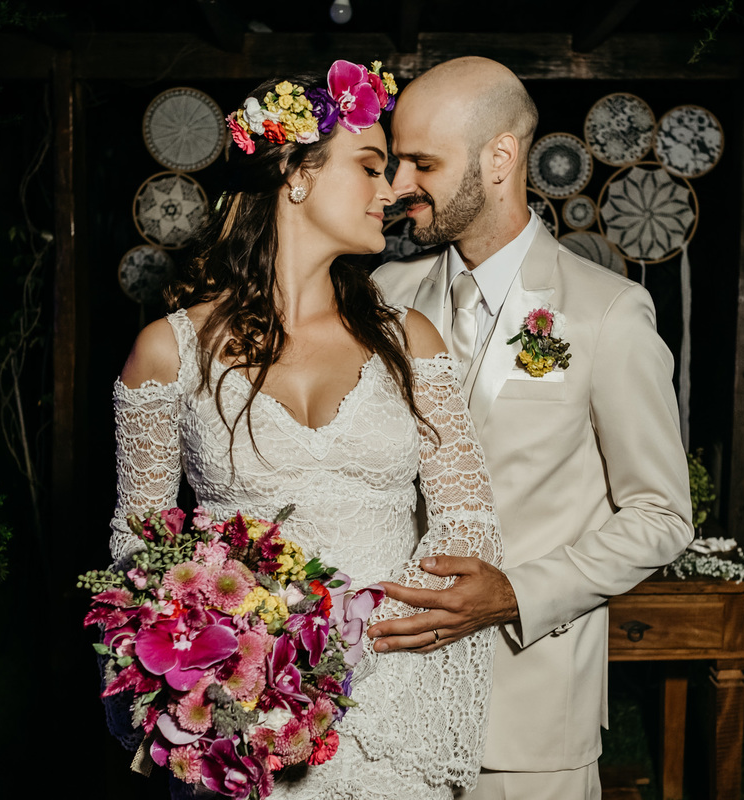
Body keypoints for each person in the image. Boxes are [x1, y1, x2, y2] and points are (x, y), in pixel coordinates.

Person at [107, 60, 502, 800]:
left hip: (396, 702)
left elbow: (468, 518)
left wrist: (345, 650)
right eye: (371, 167)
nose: (392, 192)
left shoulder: (409, 337)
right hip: (247, 718)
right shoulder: (168, 351)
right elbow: (140, 547)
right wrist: (241, 667)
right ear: (296, 174)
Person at [369, 56, 695, 799]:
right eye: (394, 162)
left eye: (422, 161)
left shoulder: (606, 313)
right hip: (386, 707)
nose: (396, 186)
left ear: (500, 157)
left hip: (529, 720)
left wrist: (516, 593)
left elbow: (661, 515)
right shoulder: (382, 298)